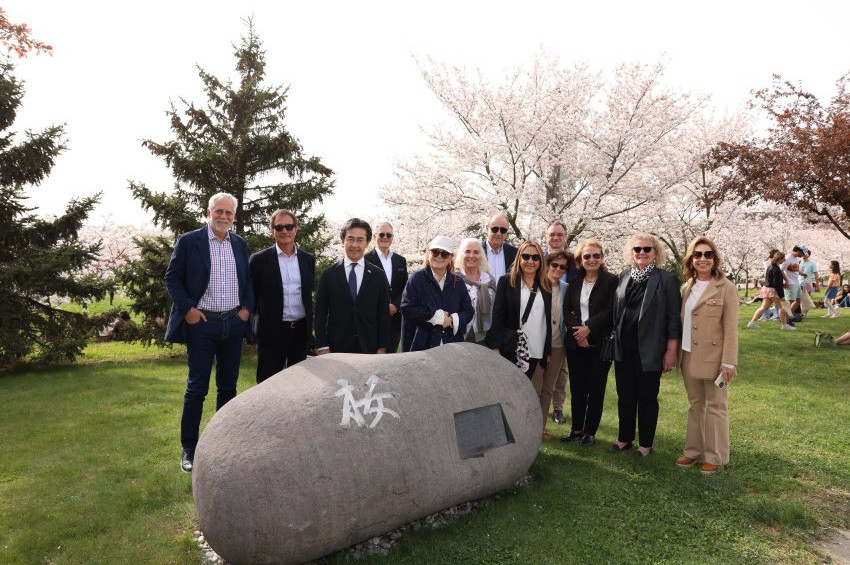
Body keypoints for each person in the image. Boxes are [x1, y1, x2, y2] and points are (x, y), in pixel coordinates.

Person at [165, 192, 254, 473]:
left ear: (234, 217)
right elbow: (172, 278)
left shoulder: (239, 244)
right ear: (208, 212)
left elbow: (247, 282)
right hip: (201, 325)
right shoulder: (190, 241)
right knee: (197, 388)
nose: (223, 217)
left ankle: (223, 443)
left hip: (232, 324)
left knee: (228, 388)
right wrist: (188, 308)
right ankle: (189, 449)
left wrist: (245, 311)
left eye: (229, 213)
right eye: (219, 211)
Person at [610, 233, 682, 457]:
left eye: (647, 249)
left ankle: (645, 445)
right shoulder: (624, 276)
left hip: (650, 350)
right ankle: (624, 439)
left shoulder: (666, 279)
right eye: (637, 249)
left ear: (656, 253)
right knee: (625, 396)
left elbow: (673, 319)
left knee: (647, 398)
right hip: (624, 349)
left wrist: (671, 351)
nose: (641, 253)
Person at [676, 236, 739, 475]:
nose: (703, 259)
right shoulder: (687, 286)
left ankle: (715, 455)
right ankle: (693, 451)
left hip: (715, 357)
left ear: (715, 259)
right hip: (688, 354)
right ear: (691, 259)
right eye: (698, 255)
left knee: (716, 406)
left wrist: (728, 361)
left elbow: (731, 328)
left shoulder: (726, 287)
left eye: (708, 254)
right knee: (695, 404)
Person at [560, 239, 617, 447]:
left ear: (601, 258)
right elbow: (567, 311)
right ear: (580, 260)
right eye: (587, 256)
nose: (591, 259)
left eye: (596, 256)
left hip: (600, 344)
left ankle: (590, 432)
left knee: (596, 388)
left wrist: (589, 328)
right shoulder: (574, 282)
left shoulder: (612, 281)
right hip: (575, 344)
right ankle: (576, 428)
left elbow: (611, 311)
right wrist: (579, 333)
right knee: (577, 387)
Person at [249, 209, 315, 383]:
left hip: (300, 332)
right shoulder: (259, 260)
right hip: (271, 332)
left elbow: (308, 296)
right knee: (267, 383)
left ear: (296, 229)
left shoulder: (308, 259)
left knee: (300, 384)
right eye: (279, 227)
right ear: (272, 231)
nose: (284, 231)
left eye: (289, 226)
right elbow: (252, 297)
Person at [314, 218, 391, 355]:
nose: (355, 245)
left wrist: (382, 347)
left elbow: (383, 315)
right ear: (343, 241)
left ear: (367, 242)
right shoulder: (329, 274)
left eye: (360, 240)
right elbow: (320, 313)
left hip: (370, 348)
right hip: (336, 348)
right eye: (350, 239)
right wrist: (322, 345)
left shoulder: (378, 275)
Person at [486, 241, 552, 380]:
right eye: (526, 256)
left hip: (536, 347)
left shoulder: (546, 285)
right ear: (519, 258)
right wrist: (495, 346)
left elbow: (547, 318)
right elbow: (498, 315)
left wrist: (548, 349)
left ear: (541, 261)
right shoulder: (506, 281)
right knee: (508, 387)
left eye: (535, 257)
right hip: (512, 347)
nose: (530, 261)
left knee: (525, 388)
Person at [400, 236, 474, 351]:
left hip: (451, 346)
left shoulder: (458, 282)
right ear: (429, 254)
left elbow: (469, 311)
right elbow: (407, 308)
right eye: (435, 252)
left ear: (451, 257)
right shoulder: (416, 279)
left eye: (444, 253)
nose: (439, 257)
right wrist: (437, 316)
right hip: (421, 348)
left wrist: (452, 319)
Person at [531, 251, 568, 441]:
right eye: (554, 265)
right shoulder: (536, 286)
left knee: (548, 389)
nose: (558, 270)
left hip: (558, 345)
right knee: (535, 387)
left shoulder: (566, 288)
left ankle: (540, 429)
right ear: (547, 265)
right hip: (537, 344)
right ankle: (529, 428)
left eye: (563, 267)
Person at [544, 220, 578, 424]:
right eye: (552, 234)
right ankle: (541, 406)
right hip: (542, 323)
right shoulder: (539, 259)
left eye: (559, 235)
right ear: (546, 236)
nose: (555, 238)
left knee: (562, 370)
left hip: (564, 324)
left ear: (565, 237)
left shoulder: (573, 261)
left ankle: (558, 407)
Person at [365, 222, 408, 353]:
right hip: (373, 318)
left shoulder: (400, 260)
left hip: (395, 318)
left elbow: (406, 288)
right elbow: (364, 291)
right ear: (374, 236)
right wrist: (383, 307)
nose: (385, 237)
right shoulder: (365, 259)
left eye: (388, 235)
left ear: (392, 238)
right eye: (381, 234)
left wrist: (395, 305)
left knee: (390, 357)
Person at [454, 238, 497, 344]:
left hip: (484, 336)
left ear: (481, 256)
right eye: (467, 251)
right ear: (461, 255)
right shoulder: (453, 279)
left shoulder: (489, 280)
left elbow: (495, 309)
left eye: (476, 252)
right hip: (458, 335)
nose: (471, 256)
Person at [747, 251, 795, 331]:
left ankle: (752, 322)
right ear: (779, 259)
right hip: (773, 290)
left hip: (767, 289)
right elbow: (777, 284)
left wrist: (782, 285)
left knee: (763, 307)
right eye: (783, 259)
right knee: (781, 307)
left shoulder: (771, 266)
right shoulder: (776, 269)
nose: (784, 261)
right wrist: (781, 295)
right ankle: (784, 325)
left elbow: (772, 281)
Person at [483, 212, 518, 282]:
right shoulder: (477, 251)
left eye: (503, 230)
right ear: (487, 229)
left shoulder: (515, 253)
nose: (498, 233)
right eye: (495, 229)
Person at [781, 245, 805, 316]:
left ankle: (788, 315)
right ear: (798, 251)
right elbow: (781, 270)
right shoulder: (788, 258)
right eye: (802, 254)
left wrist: (802, 274)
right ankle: (786, 316)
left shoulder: (797, 259)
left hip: (796, 282)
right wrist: (786, 281)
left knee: (798, 300)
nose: (803, 255)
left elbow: (796, 270)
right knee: (790, 301)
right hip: (790, 283)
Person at [798, 246, 818, 316]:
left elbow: (816, 274)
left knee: (807, 299)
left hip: (808, 283)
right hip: (799, 282)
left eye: (806, 254)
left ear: (808, 255)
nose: (804, 256)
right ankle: (800, 312)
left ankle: (805, 313)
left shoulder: (812, 263)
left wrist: (817, 285)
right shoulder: (799, 262)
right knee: (799, 298)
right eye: (803, 254)